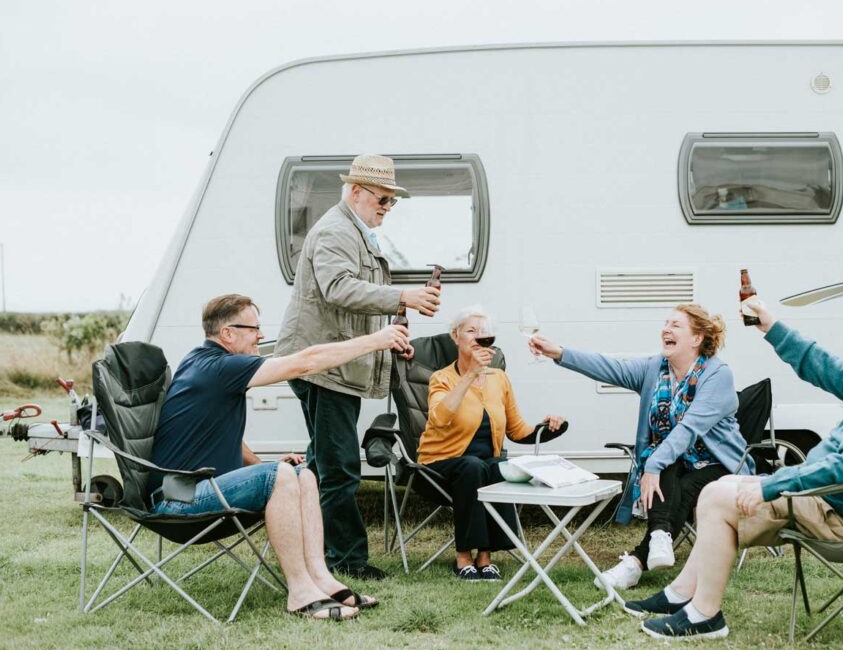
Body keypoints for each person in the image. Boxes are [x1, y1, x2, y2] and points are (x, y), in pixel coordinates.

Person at [625, 301, 843, 640]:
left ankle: (705, 614)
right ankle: (681, 594)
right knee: (719, 488)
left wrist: (771, 486)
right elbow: (827, 368)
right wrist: (771, 327)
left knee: (719, 498)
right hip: (838, 501)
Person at [147, 294, 410, 620]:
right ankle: (299, 593)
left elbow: (216, 430)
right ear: (228, 333)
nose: (260, 335)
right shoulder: (220, 366)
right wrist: (377, 340)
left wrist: (259, 467)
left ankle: (322, 579)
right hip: (177, 499)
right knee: (281, 475)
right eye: (254, 328)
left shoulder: (201, 362)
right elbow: (306, 362)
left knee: (305, 474)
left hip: (196, 489)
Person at [275, 154, 441, 580]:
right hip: (322, 366)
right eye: (383, 199)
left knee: (323, 464)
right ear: (355, 192)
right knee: (340, 466)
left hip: (332, 363)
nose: (387, 207)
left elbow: (355, 309)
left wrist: (389, 346)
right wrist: (403, 298)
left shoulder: (353, 231)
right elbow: (339, 289)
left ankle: (310, 545)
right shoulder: (335, 230)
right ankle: (345, 561)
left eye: (392, 201)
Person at [529, 304, 753, 591]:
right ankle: (659, 538)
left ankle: (636, 562)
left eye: (675, 325)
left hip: (721, 466)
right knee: (667, 464)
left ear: (697, 339)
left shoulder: (717, 375)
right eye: (665, 324)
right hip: (675, 461)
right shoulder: (655, 369)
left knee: (670, 472)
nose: (666, 329)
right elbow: (610, 368)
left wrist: (653, 465)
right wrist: (557, 352)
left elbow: (689, 428)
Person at [416, 306, 566, 580]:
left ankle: (485, 558)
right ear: (456, 336)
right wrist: (470, 375)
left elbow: (518, 431)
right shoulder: (442, 379)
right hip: (438, 466)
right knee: (473, 467)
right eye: (471, 331)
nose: (478, 336)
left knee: (502, 467)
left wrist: (549, 428)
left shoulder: (499, 379)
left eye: (484, 332)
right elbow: (439, 418)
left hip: (481, 466)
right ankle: (463, 556)